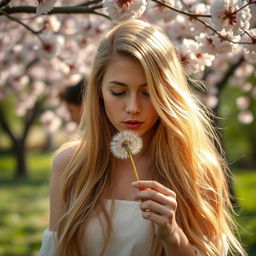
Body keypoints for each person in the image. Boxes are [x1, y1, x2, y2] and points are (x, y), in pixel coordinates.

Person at [38, 19, 246, 256]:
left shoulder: (196, 169)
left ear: (167, 93)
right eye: (118, 92)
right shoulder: (69, 164)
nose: (133, 107)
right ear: (99, 92)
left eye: (148, 93)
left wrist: (173, 236)